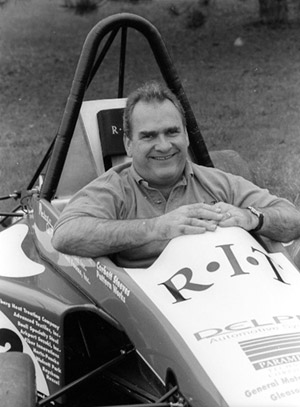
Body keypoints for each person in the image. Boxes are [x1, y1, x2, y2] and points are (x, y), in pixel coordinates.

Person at [52, 81, 300, 268]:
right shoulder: (113, 189)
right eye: (148, 136)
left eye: (172, 132)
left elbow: (292, 218)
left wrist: (252, 218)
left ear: (186, 136)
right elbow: (66, 234)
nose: (163, 145)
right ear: (128, 144)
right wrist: (157, 228)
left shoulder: (217, 182)